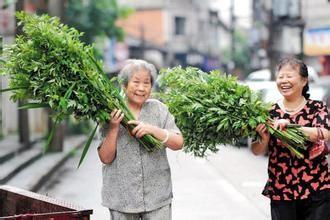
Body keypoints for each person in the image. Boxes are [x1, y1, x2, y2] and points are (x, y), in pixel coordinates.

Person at [97, 59, 184, 220]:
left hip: (157, 197)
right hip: (121, 198)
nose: (142, 88)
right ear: (124, 85)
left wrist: (153, 130)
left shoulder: (158, 109)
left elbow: (178, 143)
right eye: (136, 82)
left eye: (146, 83)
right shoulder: (111, 112)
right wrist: (114, 127)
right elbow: (106, 158)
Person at [251, 57, 329, 220]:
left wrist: (291, 126)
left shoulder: (317, 107)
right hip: (282, 189)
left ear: (304, 80)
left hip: (316, 189)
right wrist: (263, 138)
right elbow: (256, 151)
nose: (284, 81)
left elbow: (324, 132)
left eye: (289, 76)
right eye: (280, 77)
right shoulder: (268, 112)